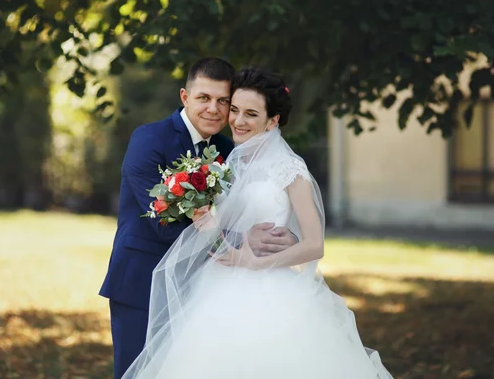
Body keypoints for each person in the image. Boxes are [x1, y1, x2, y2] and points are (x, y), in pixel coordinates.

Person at [121, 68, 394, 379]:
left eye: (251, 113)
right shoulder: (228, 160)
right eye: (234, 110)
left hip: (268, 291)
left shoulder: (290, 169)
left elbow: (314, 244)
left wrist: (256, 260)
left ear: (273, 119)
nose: (238, 120)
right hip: (214, 286)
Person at [98, 58, 298, 379]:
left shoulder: (226, 148)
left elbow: (244, 207)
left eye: (223, 101)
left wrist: (276, 239)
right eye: (204, 98)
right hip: (142, 284)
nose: (214, 110)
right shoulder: (149, 140)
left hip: (203, 291)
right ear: (184, 97)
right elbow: (162, 224)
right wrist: (245, 240)